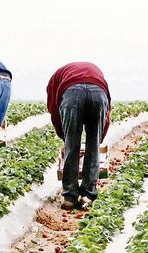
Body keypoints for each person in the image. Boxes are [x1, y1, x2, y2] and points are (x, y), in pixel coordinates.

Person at [46, 62, 111, 211]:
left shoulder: (56, 80)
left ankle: (70, 197)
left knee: (72, 147)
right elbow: (107, 114)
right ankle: (88, 195)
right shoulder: (97, 73)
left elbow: (54, 110)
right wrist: (98, 140)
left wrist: (65, 136)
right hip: (98, 93)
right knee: (92, 146)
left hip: (72, 94)